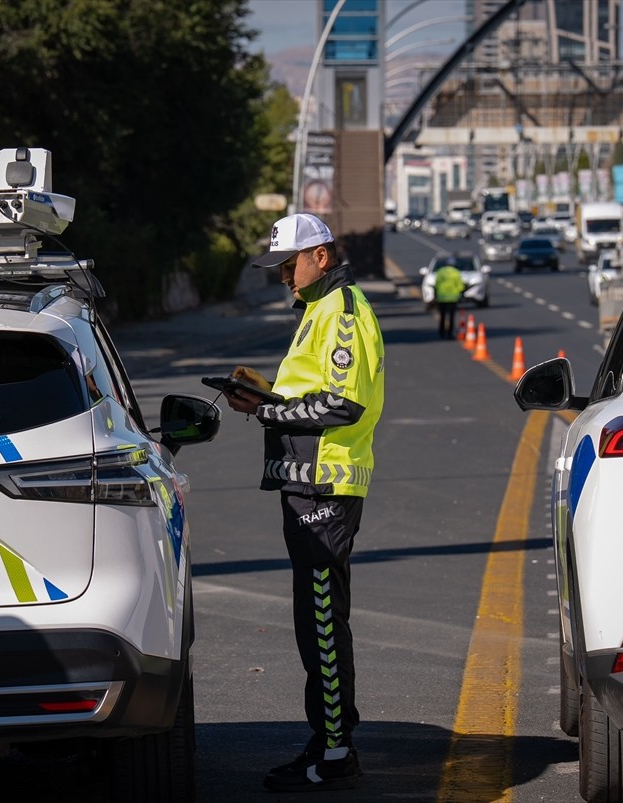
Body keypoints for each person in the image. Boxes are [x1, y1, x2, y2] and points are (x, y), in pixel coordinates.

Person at [222, 212, 385, 793]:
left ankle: (337, 751)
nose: (284, 277)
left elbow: (343, 405)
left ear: (320, 255)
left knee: (322, 622)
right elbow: (313, 393)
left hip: (326, 487)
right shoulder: (317, 310)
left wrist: (265, 409)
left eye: (289, 265)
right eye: (278, 268)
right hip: (306, 483)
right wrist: (266, 397)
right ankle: (327, 739)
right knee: (313, 623)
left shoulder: (341, 313)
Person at [432, 261, 465, 339]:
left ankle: (441, 332)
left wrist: (436, 295)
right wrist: (461, 291)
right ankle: (450, 333)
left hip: (442, 297)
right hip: (452, 298)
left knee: (442, 316)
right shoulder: (456, 272)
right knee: (451, 316)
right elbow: (460, 286)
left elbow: (436, 284)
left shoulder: (440, 272)